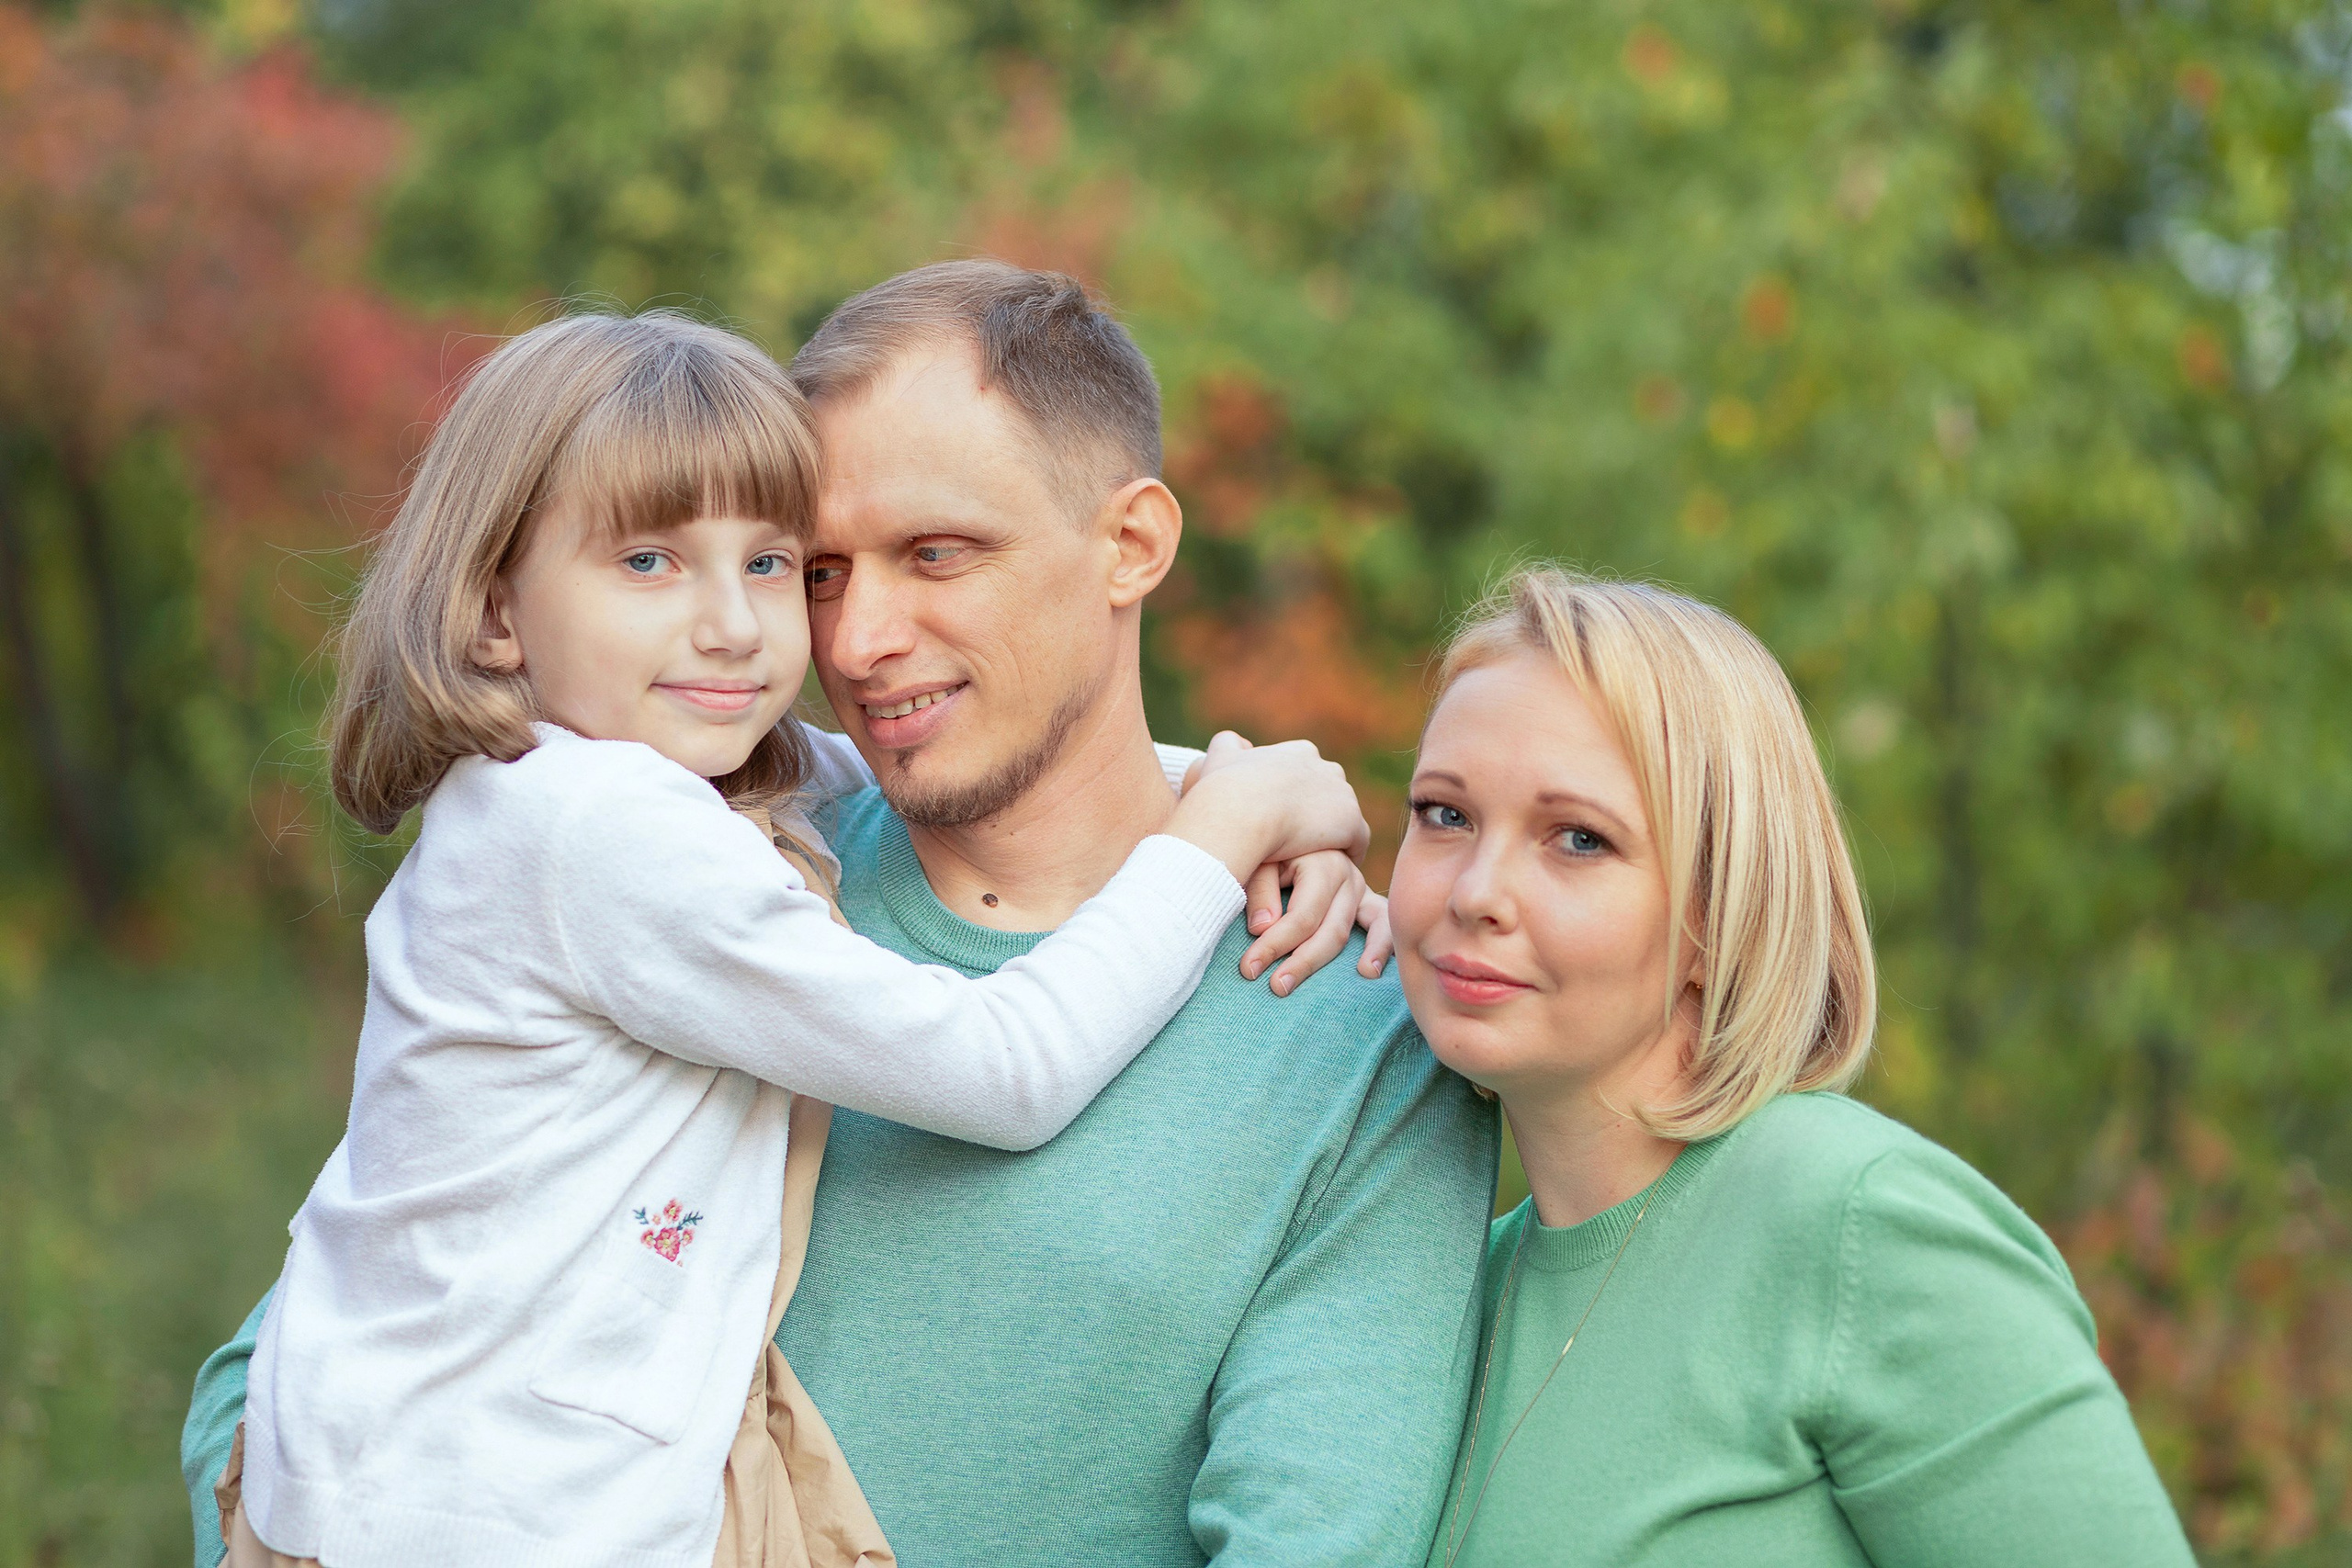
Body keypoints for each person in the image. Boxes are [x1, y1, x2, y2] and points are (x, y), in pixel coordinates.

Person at [185, 263, 1499, 1566]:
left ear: (1133, 544)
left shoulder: (1350, 1020)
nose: (854, 639)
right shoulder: (734, 861)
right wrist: (1224, 824)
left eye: (934, 554)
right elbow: (308, 1338)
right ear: (495, 609)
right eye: (821, 569)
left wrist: (1241, 799)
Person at [1388, 567, 2197, 1566]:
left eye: (1578, 840)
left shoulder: (1865, 1230)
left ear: (1713, 911)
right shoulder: (1440, 1286)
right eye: (1444, 815)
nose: (1476, 891)